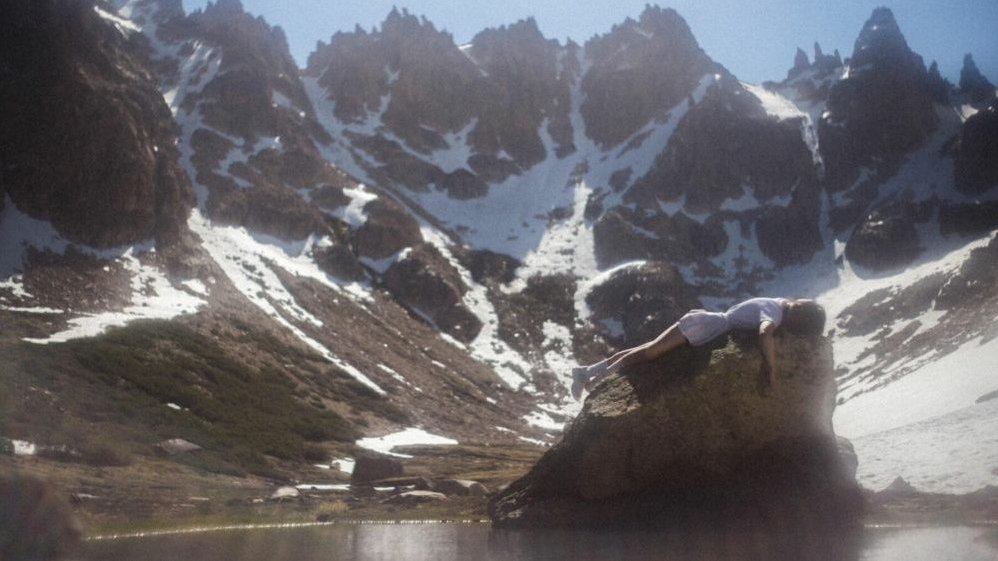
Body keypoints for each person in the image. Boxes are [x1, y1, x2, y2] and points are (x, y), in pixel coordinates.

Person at [571, 297, 826, 400]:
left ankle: (587, 371)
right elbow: (764, 331)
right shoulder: (775, 314)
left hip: (706, 324)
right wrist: (770, 368)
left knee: (646, 348)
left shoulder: (778, 302)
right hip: (705, 326)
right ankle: (597, 381)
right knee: (649, 354)